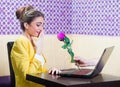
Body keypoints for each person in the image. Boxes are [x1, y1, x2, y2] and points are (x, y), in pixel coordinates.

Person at [11, 5, 60, 87]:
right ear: (26, 25)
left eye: (42, 25)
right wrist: (38, 53)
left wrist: (49, 72)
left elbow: (38, 70)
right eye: (38, 25)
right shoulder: (20, 42)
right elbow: (27, 75)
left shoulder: (34, 42)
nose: (41, 29)